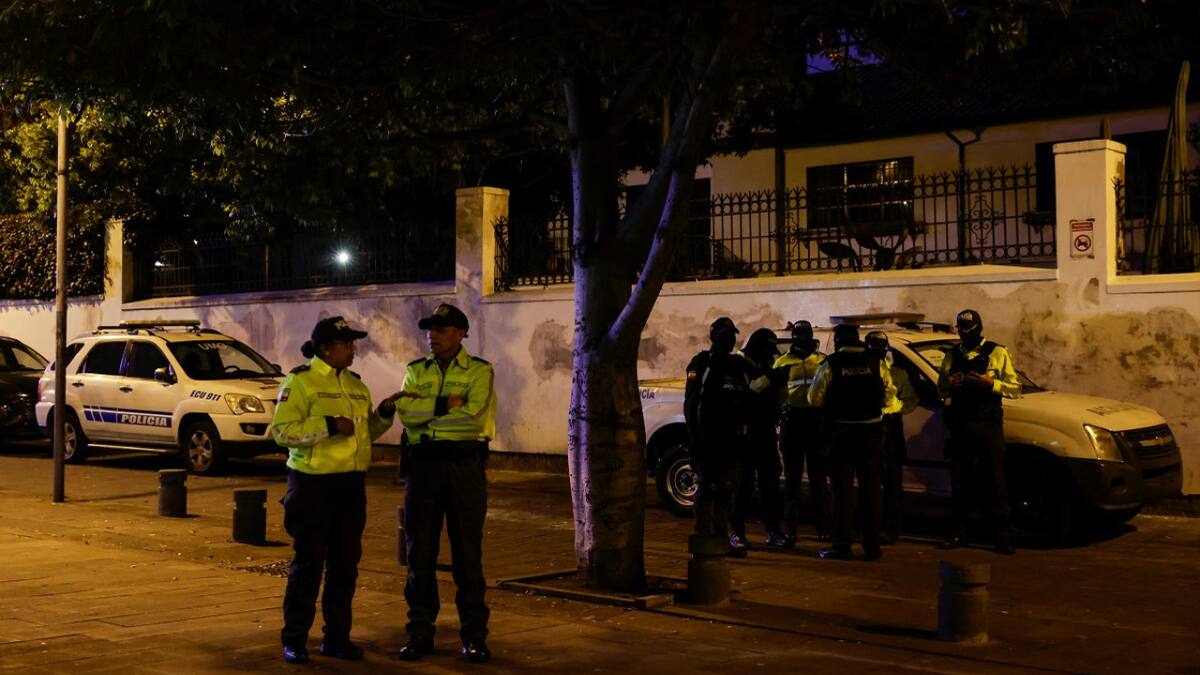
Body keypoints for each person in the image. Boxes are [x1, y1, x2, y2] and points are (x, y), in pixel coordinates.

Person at [273, 316, 402, 664]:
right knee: (309, 565)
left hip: (350, 486)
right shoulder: (301, 382)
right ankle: (295, 639)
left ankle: (336, 638)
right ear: (327, 349)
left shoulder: (357, 386)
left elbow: (364, 434)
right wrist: (328, 425)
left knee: (346, 566)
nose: (354, 350)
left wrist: (385, 413)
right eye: (348, 344)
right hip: (313, 485)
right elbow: (282, 431)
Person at [394, 303, 497, 663]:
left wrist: (427, 421)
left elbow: (473, 417)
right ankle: (419, 633)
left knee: (467, 556)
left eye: (439, 329)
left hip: (463, 465)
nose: (431, 335)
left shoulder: (480, 371)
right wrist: (443, 406)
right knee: (418, 555)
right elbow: (406, 415)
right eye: (429, 329)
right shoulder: (415, 370)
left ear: (460, 333)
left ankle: (473, 636)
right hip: (423, 468)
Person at [808, 323, 896, 561]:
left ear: (837, 341)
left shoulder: (830, 363)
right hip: (871, 432)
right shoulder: (877, 362)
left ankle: (842, 545)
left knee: (842, 491)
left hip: (841, 433)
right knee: (871, 490)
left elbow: (814, 398)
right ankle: (872, 547)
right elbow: (890, 396)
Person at [937, 309, 1021, 555]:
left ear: (979, 328)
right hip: (961, 425)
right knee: (959, 481)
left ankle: (1001, 537)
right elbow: (941, 388)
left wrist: (990, 383)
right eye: (961, 328)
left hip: (988, 425)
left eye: (969, 327)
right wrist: (949, 385)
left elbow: (1015, 388)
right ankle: (959, 533)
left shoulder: (997, 352)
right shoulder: (952, 355)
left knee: (995, 481)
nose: (965, 332)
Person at [684, 317, 756, 556]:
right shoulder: (702, 363)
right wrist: (695, 442)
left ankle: (722, 536)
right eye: (725, 334)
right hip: (708, 439)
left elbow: (752, 393)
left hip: (732, 441)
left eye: (732, 334)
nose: (730, 339)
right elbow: (692, 406)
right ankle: (706, 536)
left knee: (727, 489)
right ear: (715, 337)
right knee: (708, 487)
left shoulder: (738, 365)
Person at [773, 320, 831, 545]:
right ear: (793, 337)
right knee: (792, 483)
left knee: (819, 482)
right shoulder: (782, 362)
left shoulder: (821, 361)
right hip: (793, 422)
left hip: (816, 422)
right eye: (799, 334)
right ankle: (790, 531)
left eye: (806, 334)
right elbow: (775, 393)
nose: (803, 338)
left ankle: (824, 528)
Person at [731, 328, 787, 551]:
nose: (770, 355)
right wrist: (771, 379)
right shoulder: (738, 364)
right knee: (743, 485)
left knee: (771, 483)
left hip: (764, 431)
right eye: (767, 350)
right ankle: (736, 532)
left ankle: (773, 530)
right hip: (745, 433)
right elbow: (746, 393)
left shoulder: (765, 364)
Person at [865, 331, 919, 544]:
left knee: (892, 483)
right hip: (869, 429)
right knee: (870, 482)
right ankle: (871, 527)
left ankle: (890, 528)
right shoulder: (863, 371)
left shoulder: (897, 373)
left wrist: (895, 411)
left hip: (889, 430)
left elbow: (910, 399)